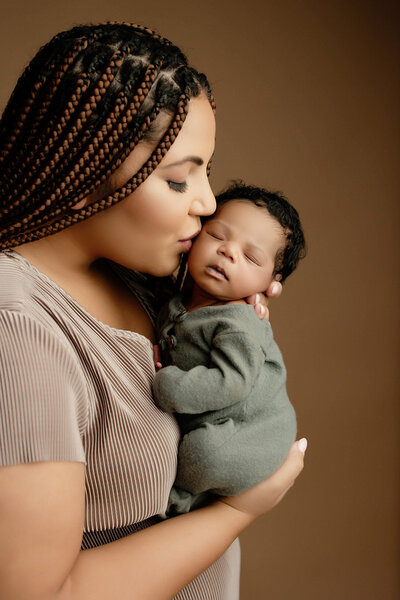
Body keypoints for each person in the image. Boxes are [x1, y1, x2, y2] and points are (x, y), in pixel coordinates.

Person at [0, 23, 307, 600]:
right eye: (177, 179)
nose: (208, 201)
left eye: (206, 170)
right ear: (85, 174)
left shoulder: (137, 278)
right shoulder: (15, 328)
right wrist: (238, 510)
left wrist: (227, 309)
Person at [153, 183, 305, 515]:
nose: (228, 252)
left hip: (253, 433)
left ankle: (185, 495)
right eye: (218, 236)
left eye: (251, 257)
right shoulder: (178, 298)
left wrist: (169, 385)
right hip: (222, 423)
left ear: (270, 283)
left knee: (203, 454)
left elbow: (232, 382)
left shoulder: (238, 323)